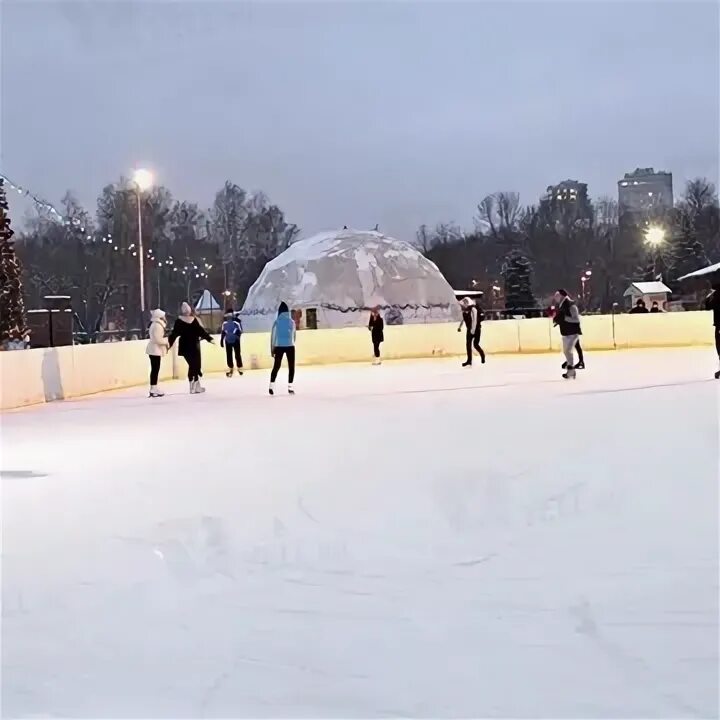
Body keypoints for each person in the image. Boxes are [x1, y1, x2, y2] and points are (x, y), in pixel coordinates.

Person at [168, 301, 214, 394]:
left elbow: (174, 334)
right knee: (194, 365)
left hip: (185, 346)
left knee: (193, 365)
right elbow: (201, 331)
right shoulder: (193, 320)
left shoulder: (179, 321)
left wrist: (169, 344)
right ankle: (194, 385)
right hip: (193, 345)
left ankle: (194, 385)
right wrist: (209, 338)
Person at [553, 289, 582, 379]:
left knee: (568, 351)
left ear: (562, 295)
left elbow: (576, 319)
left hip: (572, 333)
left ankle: (571, 370)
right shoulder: (562, 305)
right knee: (566, 351)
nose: (555, 297)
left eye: (557, 295)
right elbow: (562, 318)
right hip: (566, 333)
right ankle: (571, 370)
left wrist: (564, 318)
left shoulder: (570, 305)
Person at [269, 301, 296, 396]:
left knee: (276, 366)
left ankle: (271, 386)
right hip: (290, 346)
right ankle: (290, 387)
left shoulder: (276, 322)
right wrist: (292, 343)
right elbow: (294, 335)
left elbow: (273, 337)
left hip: (279, 346)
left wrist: (272, 349)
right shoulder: (291, 322)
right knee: (291, 367)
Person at [146, 308, 169, 398]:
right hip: (154, 350)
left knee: (155, 369)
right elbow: (157, 339)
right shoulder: (157, 326)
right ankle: (153, 388)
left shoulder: (156, 325)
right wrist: (166, 340)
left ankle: (154, 387)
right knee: (155, 369)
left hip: (154, 350)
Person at [457, 296, 485, 367]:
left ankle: (482, 355)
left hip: (476, 330)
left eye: (464, 303)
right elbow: (463, 319)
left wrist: (473, 330)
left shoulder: (473, 309)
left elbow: (474, 320)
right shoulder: (465, 310)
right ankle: (469, 361)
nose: (463, 305)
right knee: (468, 345)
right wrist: (460, 327)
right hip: (469, 330)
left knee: (476, 344)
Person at [220, 310, 244, 377]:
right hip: (227, 341)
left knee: (237, 354)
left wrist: (237, 337)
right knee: (229, 355)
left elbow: (240, 331)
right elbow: (223, 332)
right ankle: (231, 368)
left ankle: (240, 368)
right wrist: (221, 340)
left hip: (236, 341)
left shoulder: (236, 323)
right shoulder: (224, 324)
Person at [704, 282, 720, 379]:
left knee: (719, 345)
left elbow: (708, 307)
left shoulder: (717, 296)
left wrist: (708, 298)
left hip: (719, 325)